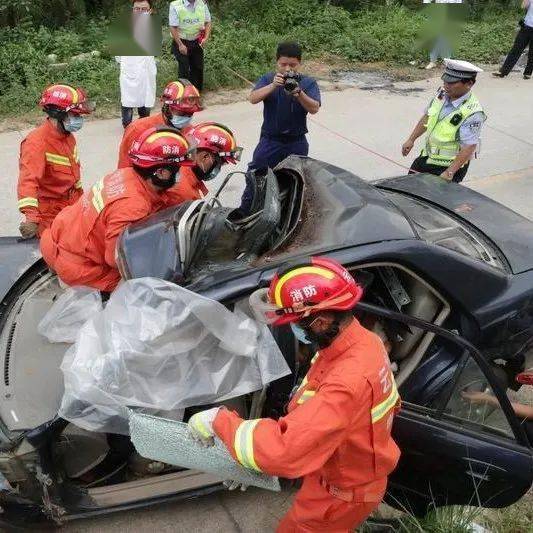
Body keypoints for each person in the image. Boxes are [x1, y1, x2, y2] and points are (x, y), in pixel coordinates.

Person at [188, 257, 401, 532]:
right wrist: (250, 462)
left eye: (298, 323)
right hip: (341, 471)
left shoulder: (346, 383)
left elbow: (285, 450)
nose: (295, 329)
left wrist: (219, 423)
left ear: (321, 322)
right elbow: (316, 418)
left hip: (337, 497)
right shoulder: (365, 342)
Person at [40, 128, 194, 292]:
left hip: (61, 239)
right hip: (80, 268)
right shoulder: (133, 204)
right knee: (145, 292)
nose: (180, 173)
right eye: (177, 169)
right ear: (162, 173)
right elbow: (117, 259)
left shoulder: (126, 174)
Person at [240, 41, 321, 214]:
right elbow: (253, 98)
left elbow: (314, 108)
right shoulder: (269, 79)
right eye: (283, 64)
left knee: (296, 182)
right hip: (270, 141)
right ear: (277, 63)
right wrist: (273, 86)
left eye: (292, 65)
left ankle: (288, 216)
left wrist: (299, 93)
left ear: (300, 64)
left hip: (296, 142)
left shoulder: (307, 83)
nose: (287, 68)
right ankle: (245, 213)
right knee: (255, 176)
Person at [17, 84, 94, 240]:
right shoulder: (36, 143)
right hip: (50, 216)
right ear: (58, 114)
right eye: (75, 115)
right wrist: (31, 218)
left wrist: (82, 205)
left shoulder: (68, 136)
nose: (78, 119)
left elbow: (74, 178)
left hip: (72, 207)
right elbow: (28, 182)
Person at [401, 59, 486, 183]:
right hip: (427, 158)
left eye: (452, 83)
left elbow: (469, 146)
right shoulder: (442, 95)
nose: (446, 85)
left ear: (469, 84)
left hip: (447, 167)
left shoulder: (473, 113)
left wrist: (449, 172)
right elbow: (427, 117)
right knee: (408, 188)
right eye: (445, 81)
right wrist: (411, 139)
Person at [117, 79, 202, 169]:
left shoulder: (190, 134)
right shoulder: (138, 129)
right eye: (183, 113)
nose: (186, 118)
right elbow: (125, 169)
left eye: (190, 114)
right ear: (168, 107)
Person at [175, 122, 243, 202]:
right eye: (219, 162)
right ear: (205, 156)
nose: (218, 167)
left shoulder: (181, 169)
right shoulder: (184, 191)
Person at [116, 0, 158, 129]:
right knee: (128, 96)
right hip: (130, 69)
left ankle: (144, 121)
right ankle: (127, 124)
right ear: (132, 10)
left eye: (144, 9)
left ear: (150, 10)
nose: (140, 12)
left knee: (145, 95)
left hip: (146, 70)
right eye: (137, 9)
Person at [169, 0, 212, 91]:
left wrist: (206, 38)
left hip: (196, 40)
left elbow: (208, 22)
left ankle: (196, 94)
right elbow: (173, 27)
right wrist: (180, 45)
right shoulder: (175, 5)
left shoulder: (202, 3)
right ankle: (183, 95)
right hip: (180, 41)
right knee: (184, 67)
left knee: (198, 67)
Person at [493, 1, 533, 80]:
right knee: (516, 49)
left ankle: (528, 73)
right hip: (526, 26)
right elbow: (523, 6)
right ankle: (503, 71)